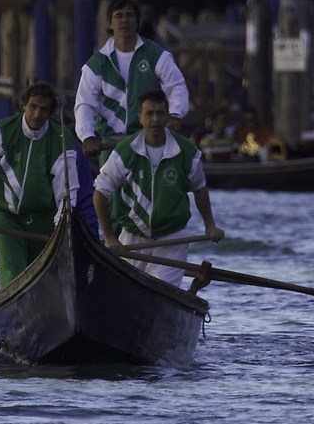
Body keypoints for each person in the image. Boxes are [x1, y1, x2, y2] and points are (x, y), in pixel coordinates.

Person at [93, 88, 223, 283]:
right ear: (140, 117)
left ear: (167, 116)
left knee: (161, 287)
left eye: (160, 113)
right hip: (132, 237)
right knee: (126, 289)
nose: (155, 119)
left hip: (172, 238)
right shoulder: (125, 151)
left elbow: (200, 189)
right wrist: (110, 238)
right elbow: (100, 193)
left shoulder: (186, 150)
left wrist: (210, 226)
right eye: (149, 114)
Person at [0, 80, 82, 282]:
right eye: (33, 106)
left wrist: (61, 227)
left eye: (44, 109)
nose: (37, 114)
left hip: (44, 220)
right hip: (8, 217)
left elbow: (67, 191)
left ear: (51, 112)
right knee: (15, 277)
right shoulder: (1, 131)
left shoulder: (61, 138)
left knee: (44, 279)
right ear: (23, 104)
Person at [74, 0, 190, 159]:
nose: (124, 20)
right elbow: (85, 103)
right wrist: (87, 136)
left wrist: (175, 114)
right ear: (110, 23)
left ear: (138, 21)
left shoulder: (155, 55)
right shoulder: (97, 63)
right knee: (108, 185)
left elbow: (176, 86)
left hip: (149, 141)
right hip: (112, 146)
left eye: (129, 15)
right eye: (118, 16)